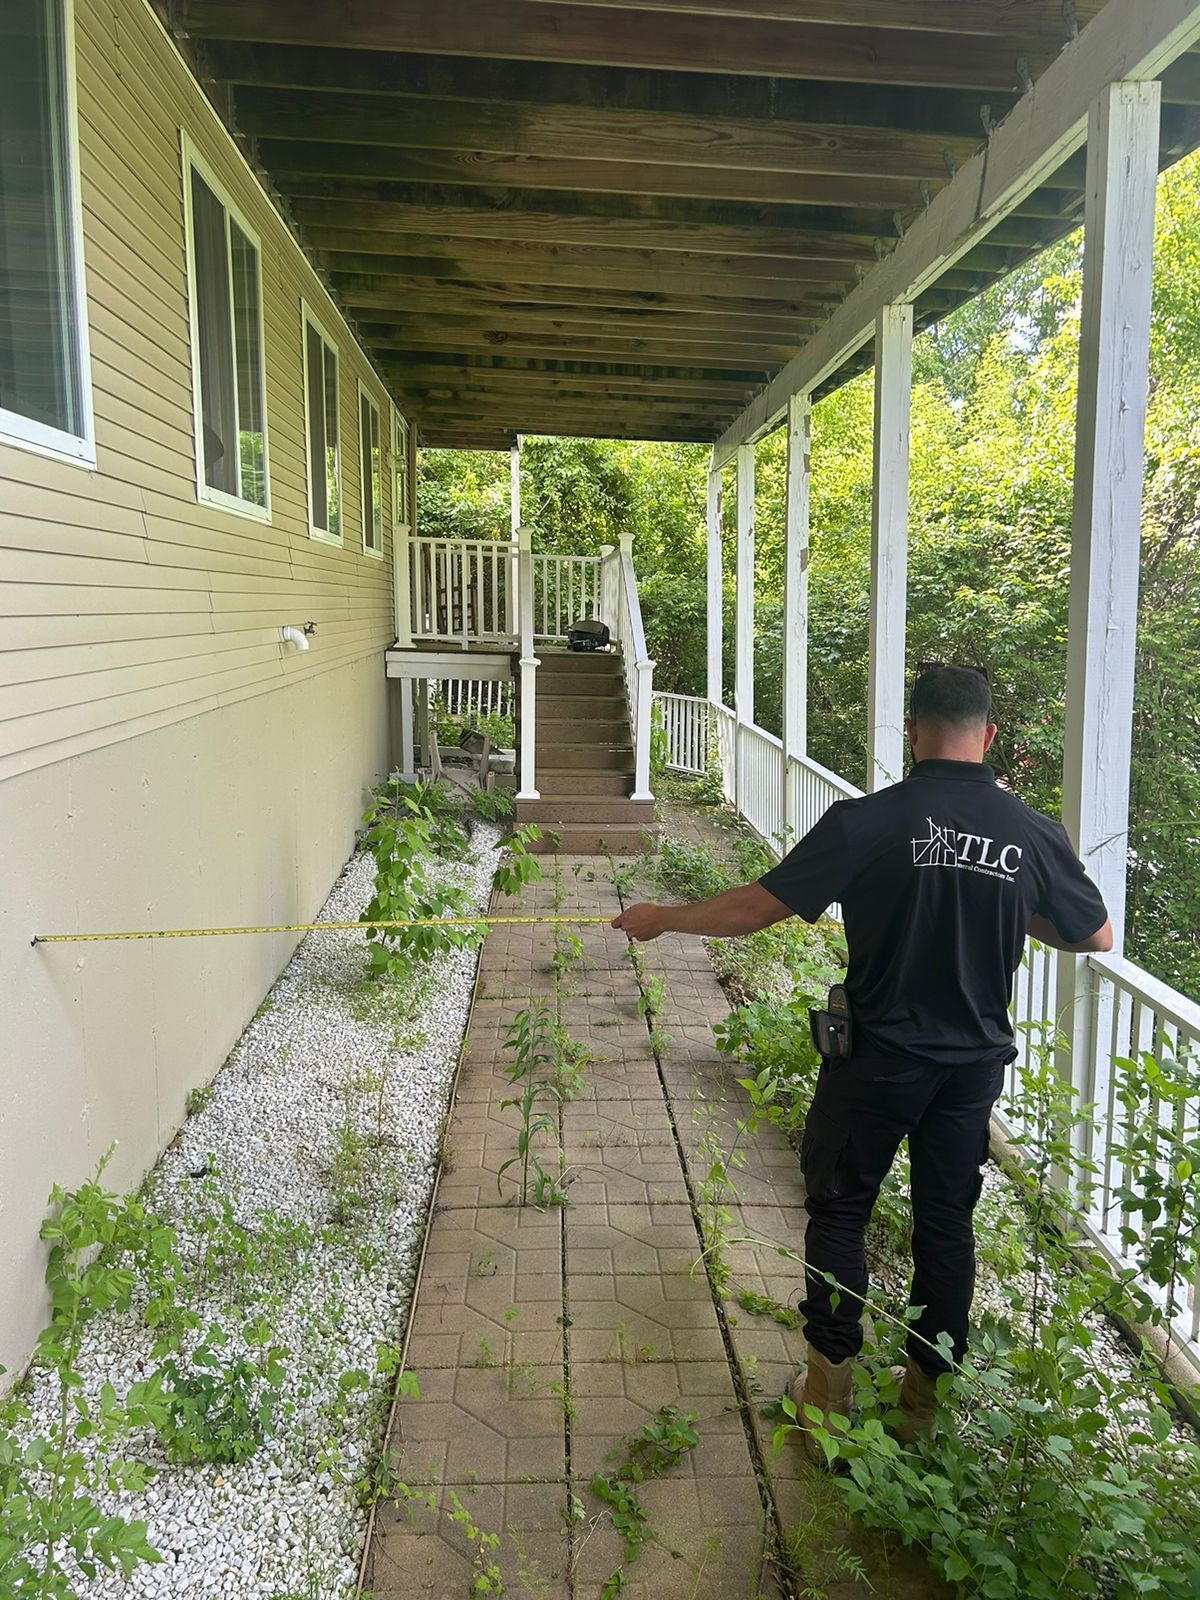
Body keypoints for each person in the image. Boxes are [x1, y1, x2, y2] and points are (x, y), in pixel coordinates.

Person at [612, 666, 1111, 1458]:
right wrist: (1012, 904)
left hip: (877, 1060)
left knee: (842, 1211)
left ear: (913, 732)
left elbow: (756, 907)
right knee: (946, 1227)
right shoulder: (1032, 832)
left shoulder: (870, 820)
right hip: (972, 1068)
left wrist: (660, 920)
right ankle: (919, 1412)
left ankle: (827, 1397)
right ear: (987, 736)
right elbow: (1094, 935)